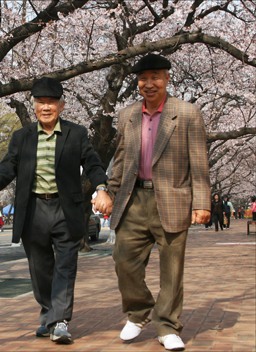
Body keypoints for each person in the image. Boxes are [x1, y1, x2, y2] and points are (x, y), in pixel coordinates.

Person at [0, 77, 112, 344]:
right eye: (41, 102)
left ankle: (60, 321)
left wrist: (102, 187)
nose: (46, 107)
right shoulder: (22, 137)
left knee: (66, 265)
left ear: (61, 106)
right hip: (33, 209)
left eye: (51, 103)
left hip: (65, 208)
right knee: (40, 268)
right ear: (34, 106)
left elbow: (92, 162)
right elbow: (9, 164)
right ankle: (48, 312)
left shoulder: (76, 133)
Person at [105, 54, 211, 351]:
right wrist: (112, 194)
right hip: (133, 199)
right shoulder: (127, 115)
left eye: (155, 77)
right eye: (142, 78)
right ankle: (138, 312)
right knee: (123, 260)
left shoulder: (188, 113)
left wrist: (201, 203)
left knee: (172, 269)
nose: (148, 83)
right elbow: (121, 161)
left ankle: (167, 326)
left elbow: (199, 163)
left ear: (167, 78)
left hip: (174, 199)